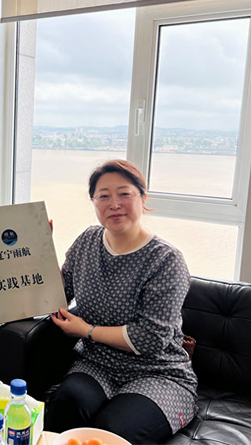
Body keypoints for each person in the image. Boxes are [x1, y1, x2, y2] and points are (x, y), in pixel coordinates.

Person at [45, 159, 198, 444]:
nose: (114, 204)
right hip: (97, 363)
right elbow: (58, 295)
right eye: (104, 196)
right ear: (94, 202)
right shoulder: (87, 241)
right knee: (65, 406)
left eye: (124, 194)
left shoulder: (166, 260)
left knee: (111, 430)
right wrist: (39, 249)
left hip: (158, 373)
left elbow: (151, 339)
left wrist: (86, 330)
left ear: (143, 198)